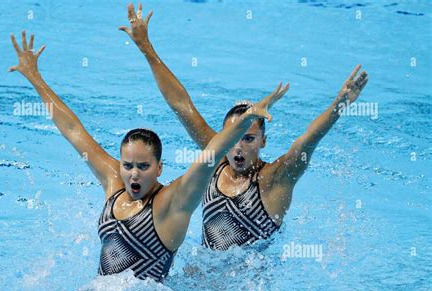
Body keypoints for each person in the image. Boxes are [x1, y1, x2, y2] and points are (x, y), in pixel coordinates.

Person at [8, 31, 289, 281]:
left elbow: (212, 153)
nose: (133, 173)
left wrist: (247, 118)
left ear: (159, 169)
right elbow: (73, 130)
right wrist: (35, 79)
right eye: (128, 165)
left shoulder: (170, 204)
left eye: (143, 166)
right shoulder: (113, 182)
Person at [120, 2, 369, 250]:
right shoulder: (215, 161)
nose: (237, 147)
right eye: (233, 138)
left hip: (250, 285)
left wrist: (339, 104)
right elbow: (181, 104)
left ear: (263, 141)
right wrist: (146, 48)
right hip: (203, 275)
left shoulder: (275, 179)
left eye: (248, 138)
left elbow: (308, 140)